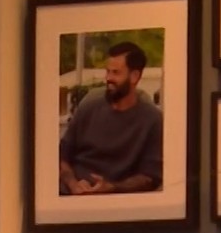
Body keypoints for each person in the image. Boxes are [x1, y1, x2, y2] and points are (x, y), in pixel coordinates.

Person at [59, 41, 164, 196]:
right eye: (107, 71)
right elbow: (62, 156)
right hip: (71, 194)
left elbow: (150, 177)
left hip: (117, 200)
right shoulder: (90, 104)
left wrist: (113, 187)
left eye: (116, 73)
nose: (108, 78)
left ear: (134, 76)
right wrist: (72, 184)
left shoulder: (152, 119)